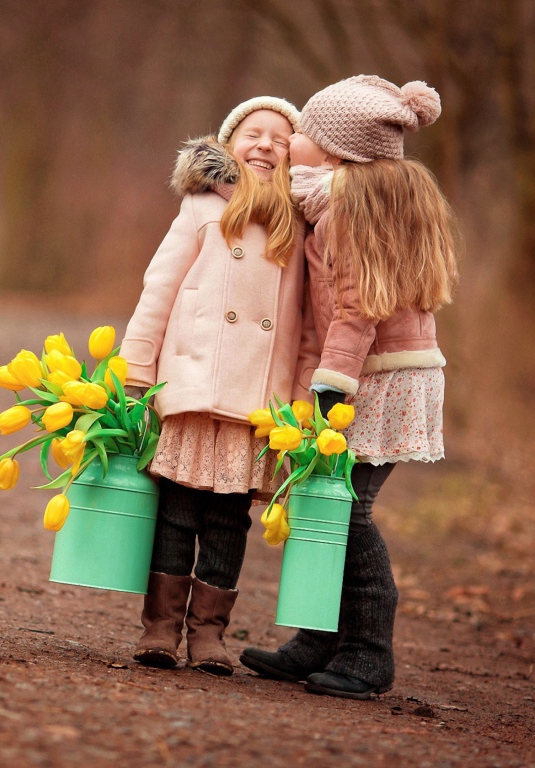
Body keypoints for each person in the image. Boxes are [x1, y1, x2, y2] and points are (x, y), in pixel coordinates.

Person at [240, 75, 460, 699]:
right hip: (381, 370)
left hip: (373, 378)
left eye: (304, 132)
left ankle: (368, 651)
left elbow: (357, 306)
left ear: (335, 153)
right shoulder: (344, 199)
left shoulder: (345, 208)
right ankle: (320, 638)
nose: (293, 139)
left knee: (349, 510)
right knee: (326, 504)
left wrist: (329, 387)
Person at [120, 96, 316, 675]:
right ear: (230, 144)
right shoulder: (201, 206)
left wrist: (299, 399)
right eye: (253, 134)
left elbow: (302, 326)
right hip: (192, 386)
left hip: (253, 402)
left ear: (292, 158)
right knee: (178, 512)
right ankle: (160, 627)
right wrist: (137, 367)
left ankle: (209, 633)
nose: (265, 145)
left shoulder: (295, 222)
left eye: (280, 141)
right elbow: (160, 287)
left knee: (229, 520)